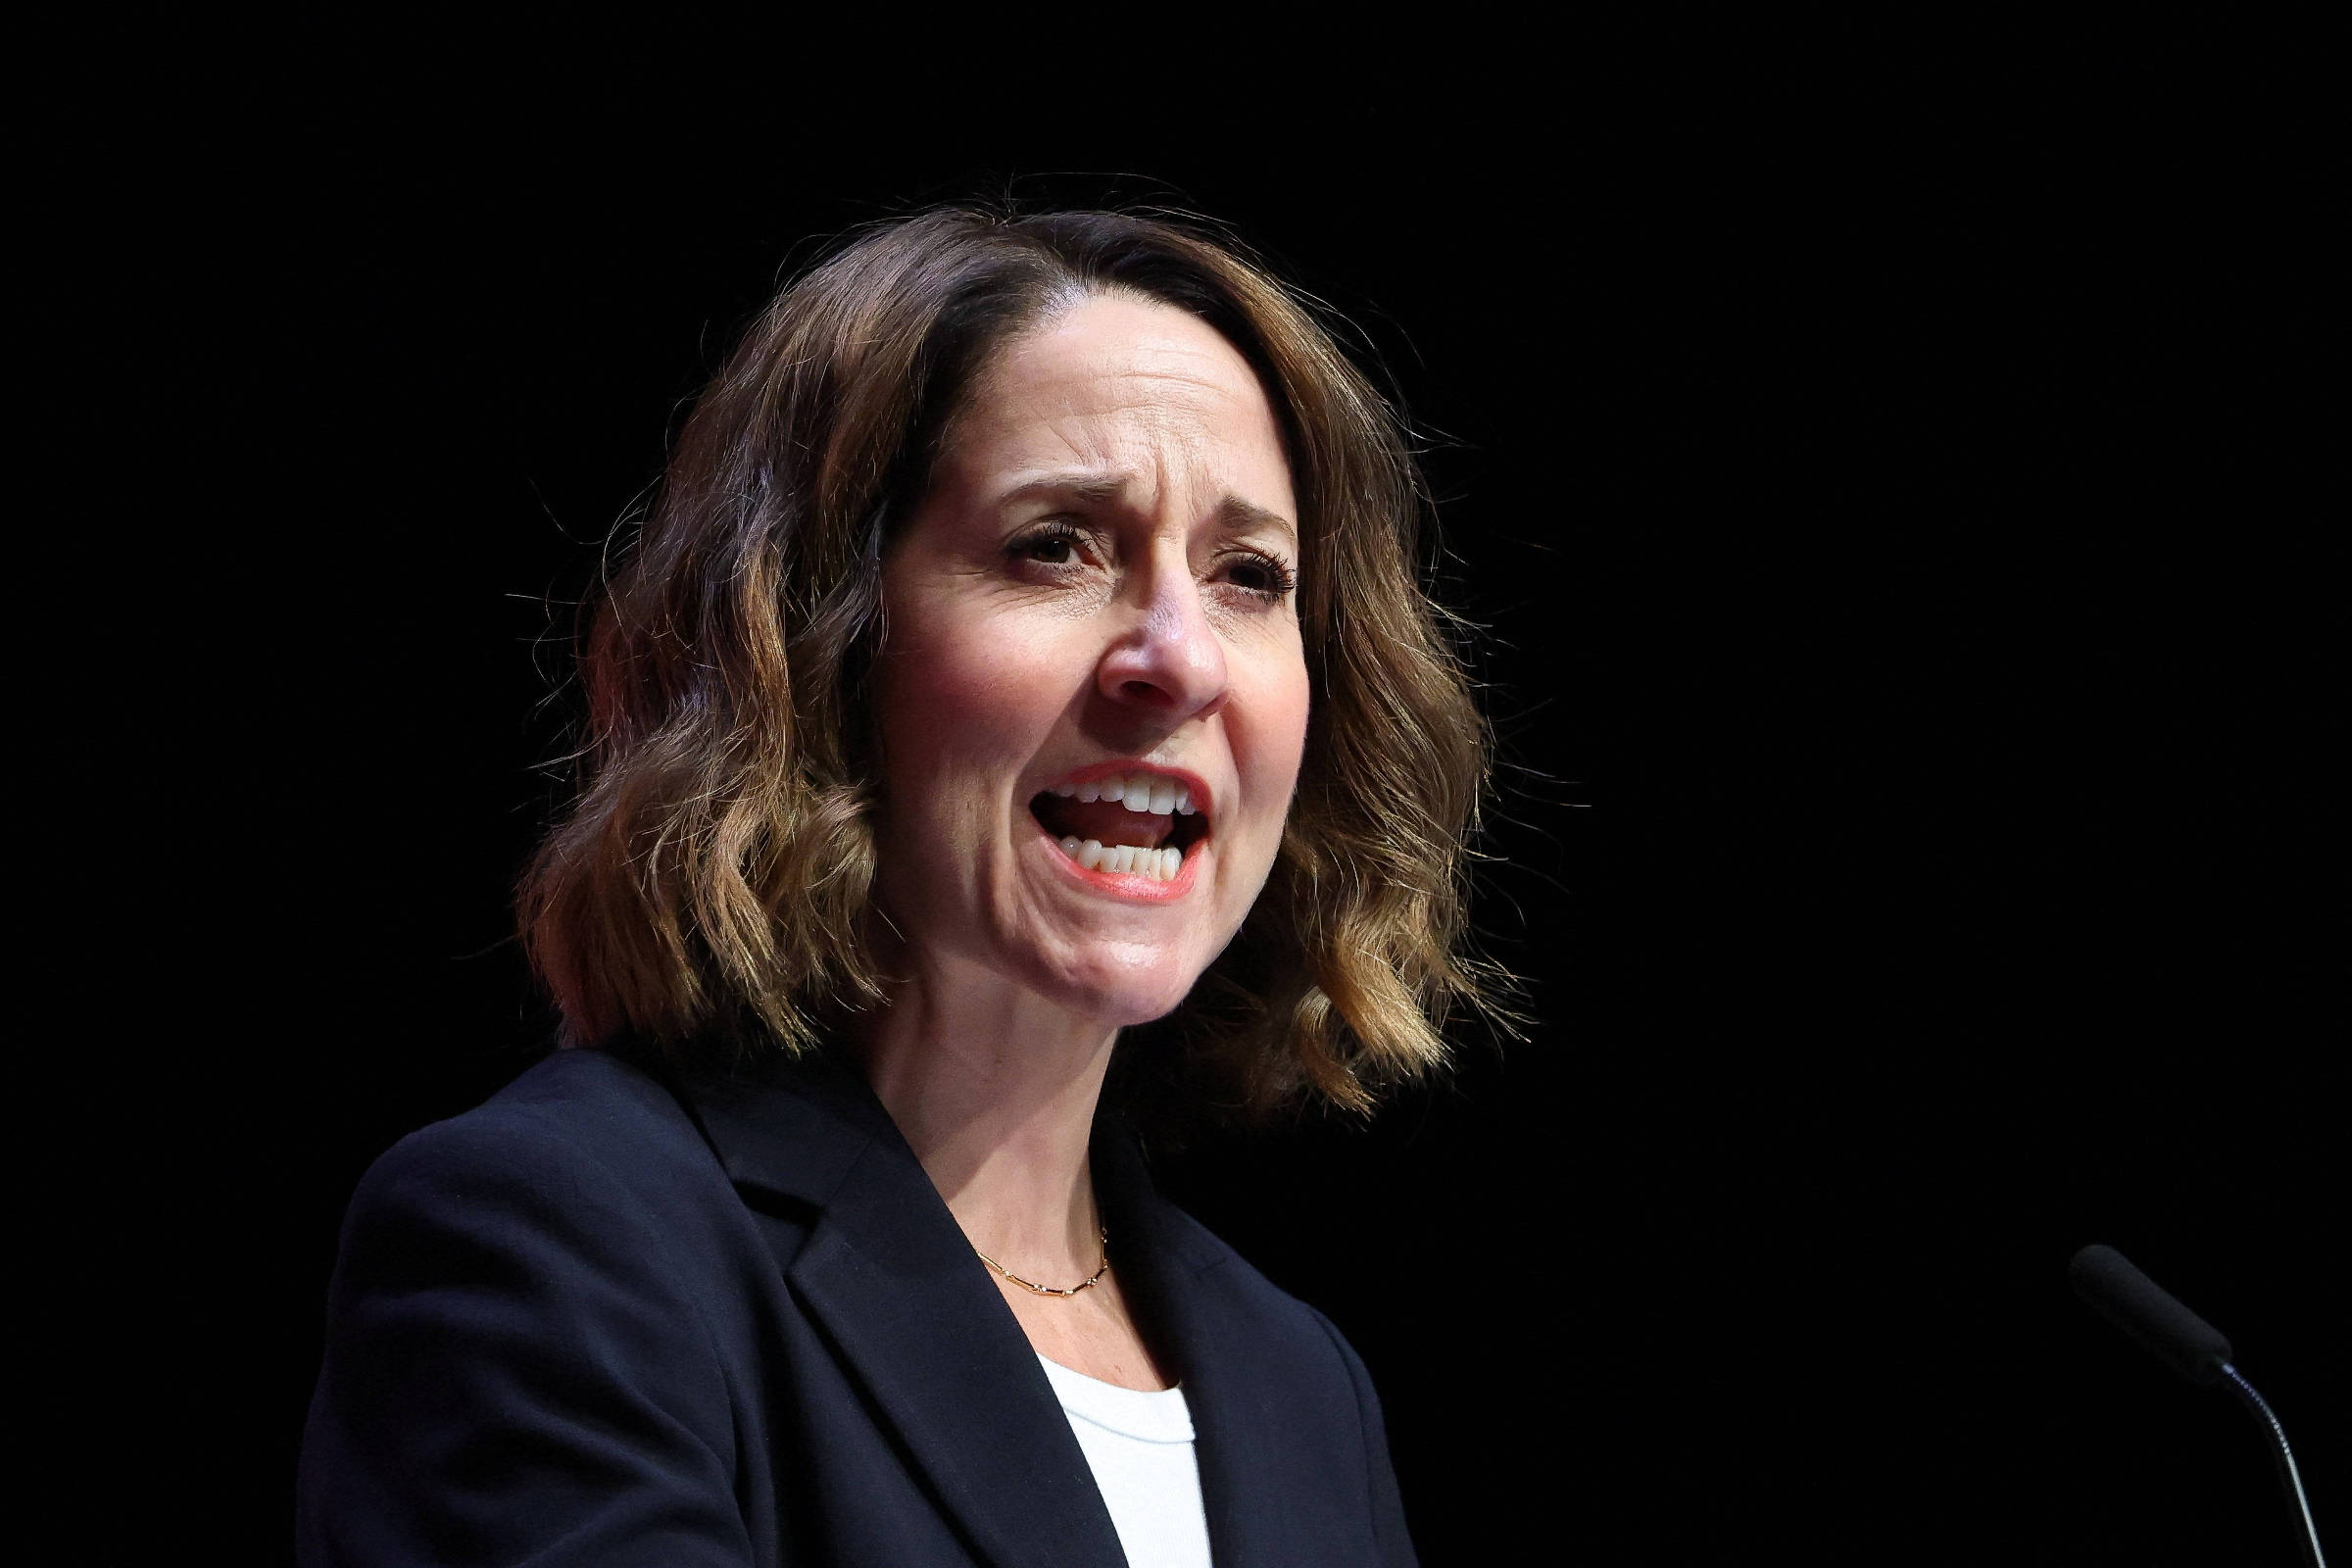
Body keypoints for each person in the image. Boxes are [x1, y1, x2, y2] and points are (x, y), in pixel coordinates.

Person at [297, 206, 1503, 1567]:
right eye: (1056, 545)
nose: (1181, 659)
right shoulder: (559, 1243)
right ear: (814, 644)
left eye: (1249, 575)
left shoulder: (1304, 1392)